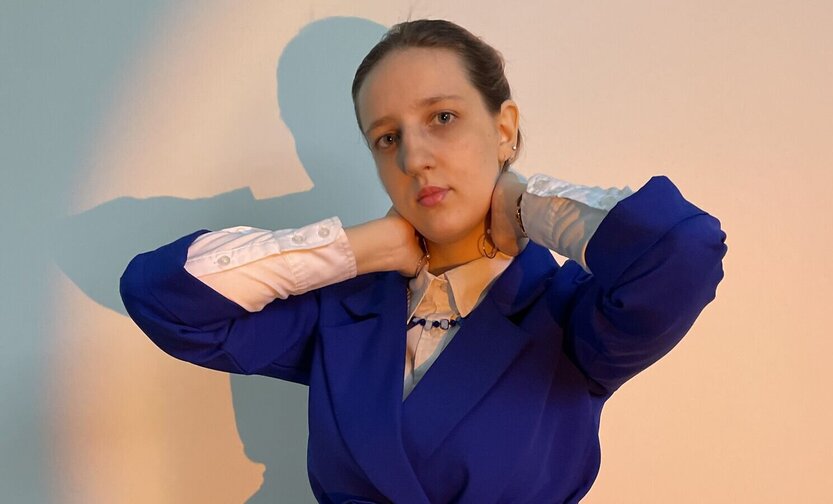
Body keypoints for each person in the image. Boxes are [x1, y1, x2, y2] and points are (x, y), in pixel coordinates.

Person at [119, 19, 727, 504]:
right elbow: (165, 299)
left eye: (442, 118)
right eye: (387, 138)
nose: (414, 157)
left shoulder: (571, 315)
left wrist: (527, 204)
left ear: (504, 128)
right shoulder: (345, 312)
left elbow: (682, 249)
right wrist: (357, 248)